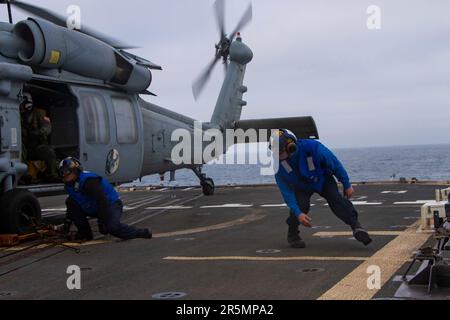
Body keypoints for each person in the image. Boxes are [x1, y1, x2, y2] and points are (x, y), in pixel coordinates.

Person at [272, 129, 372, 249]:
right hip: (301, 187)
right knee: (300, 206)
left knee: (337, 200)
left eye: (280, 151)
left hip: (323, 180)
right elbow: (287, 193)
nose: (277, 156)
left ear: (291, 146)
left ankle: (356, 227)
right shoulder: (278, 165)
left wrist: (346, 184)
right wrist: (298, 214)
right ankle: (293, 235)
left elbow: (335, 164)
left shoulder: (314, 148)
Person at [59, 157, 152, 241]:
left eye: (67, 172)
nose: (65, 175)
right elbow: (72, 201)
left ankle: (141, 232)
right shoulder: (69, 186)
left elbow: (102, 200)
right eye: (62, 173)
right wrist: (67, 221)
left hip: (110, 204)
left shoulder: (89, 181)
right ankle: (85, 233)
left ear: (76, 171)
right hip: (92, 206)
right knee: (71, 202)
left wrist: (102, 222)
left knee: (112, 228)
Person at [20, 93, 59, 182]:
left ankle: (51, 175)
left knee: (48, 151)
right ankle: (25, 175)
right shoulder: (18, 114)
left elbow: (47, 128)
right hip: (25, 147)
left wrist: (38, 132)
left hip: (37, 146)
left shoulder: (40, 113)